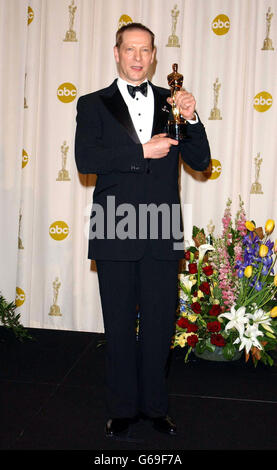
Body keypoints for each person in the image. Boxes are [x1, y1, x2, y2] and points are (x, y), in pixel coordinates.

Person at [75, 23, 210, 438]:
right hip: (114, 224)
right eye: (130, 49)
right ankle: (120, 409)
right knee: (118, 325)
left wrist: (193, 117)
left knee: (159, 327)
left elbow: (201, 160)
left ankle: (156, 407)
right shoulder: (93, 103)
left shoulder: (173, 103)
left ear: (153, 56)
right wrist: (140, 152)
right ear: (116, 53)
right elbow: (85, 159)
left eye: (145, 50)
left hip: (162, 225)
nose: (137, 57)